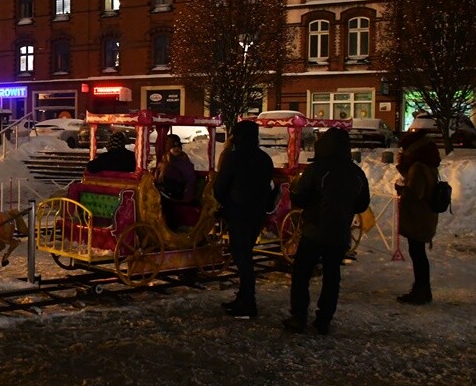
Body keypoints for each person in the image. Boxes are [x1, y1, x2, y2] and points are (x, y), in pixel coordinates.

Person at [283, 128, 370, 335]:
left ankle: (299, 317)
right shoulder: (356, 173)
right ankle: (324, 320)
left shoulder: (317, 169)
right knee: (332, 276)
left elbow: (300, 197)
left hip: (314, 230)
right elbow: (362, 204)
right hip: (340, 233)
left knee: (302, 273)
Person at [213, 120, 275, 319]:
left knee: (242, 257)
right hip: (256, 213)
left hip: (239, 212)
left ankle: (248, 303)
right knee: (245, 254)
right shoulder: (264, 158)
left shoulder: (234, 157)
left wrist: (223, 201)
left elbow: (221, 186)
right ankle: (243, 298)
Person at [394, 132, 441, 305]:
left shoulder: (418, 167)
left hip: (418, 218)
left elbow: (415, 194)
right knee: (418, 253)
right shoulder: (429, 165)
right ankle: (422, 288)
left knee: (418, 254)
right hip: (425, 216)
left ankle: (421, 290)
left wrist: (401, 190)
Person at [155, 133, 198, 228]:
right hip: (164, 190)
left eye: (178, 146)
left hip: (177, 193)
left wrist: (187, 197)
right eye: (173, 147)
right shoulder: (164, 162)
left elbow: (191, 181)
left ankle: (171, 228)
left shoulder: (184, 163)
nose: (176, 149)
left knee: (166, 204)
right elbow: (157, 178)